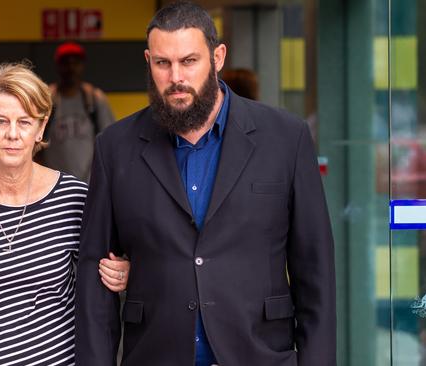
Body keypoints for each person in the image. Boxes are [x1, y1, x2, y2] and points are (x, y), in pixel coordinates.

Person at [74, 2, 335, 366]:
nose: (176, 77)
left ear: (218, 57)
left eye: (189, 61)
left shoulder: (286, 138)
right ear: (148, 60)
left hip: (260, 355)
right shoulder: (115, 147)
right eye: (163, 63)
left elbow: (315, 270)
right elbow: (94, 278)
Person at [0, 63, 130, 365]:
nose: (13, 134)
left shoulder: (74, 199)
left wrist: (125, 270)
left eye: (24, 122)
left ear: (41, 127)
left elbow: (109, 270)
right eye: (0, 121)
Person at [38, 41, 115, 181]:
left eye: (76, 62)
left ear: (82, 65)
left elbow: (111, 144)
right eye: (66, 63)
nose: (71, 67)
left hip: (91, 185)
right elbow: (35, 144)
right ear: (58, 66)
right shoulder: (46, 100)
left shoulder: (95, 99)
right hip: (54, 186)